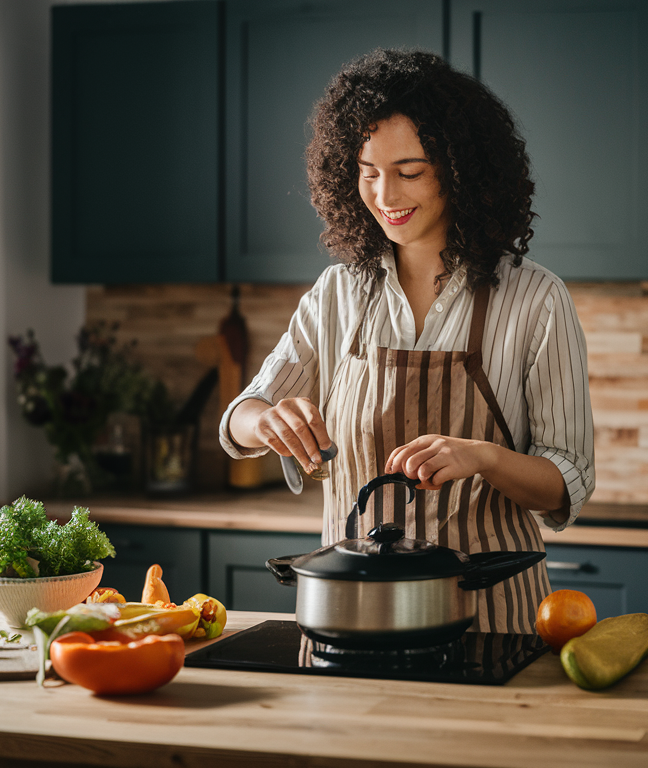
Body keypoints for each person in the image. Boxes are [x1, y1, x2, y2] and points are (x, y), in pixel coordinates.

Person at [220, 49, 594, 634]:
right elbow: (241, 417)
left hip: (489, 621)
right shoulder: (339, 292)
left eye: (410, 171)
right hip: (351, 619)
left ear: (461, 169)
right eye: (368, 171)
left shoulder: (535, 299)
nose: (385, 195)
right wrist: (266, 420)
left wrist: (484, 457)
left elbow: (568, 478)